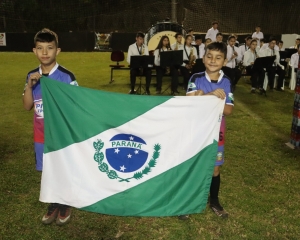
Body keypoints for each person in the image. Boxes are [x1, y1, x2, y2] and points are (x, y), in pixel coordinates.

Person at [22, 28, 78, 225]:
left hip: (61, 136)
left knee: (62, 169)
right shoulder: (31, 76)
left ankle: (65, 203)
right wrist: (29, 86)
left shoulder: (66, 76)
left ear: (58, 51)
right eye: (40, 48)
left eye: (49, 48)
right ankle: (54, 202)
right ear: (34, 51)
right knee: (47, 171)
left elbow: (76, 107)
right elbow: (28, 105)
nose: (44, 52)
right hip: (40, 135)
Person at [180, 42, 233, 220]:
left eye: (218, 58)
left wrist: (203, 97)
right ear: (203, 59)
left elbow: (228, 110)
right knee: (194, 165)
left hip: (217, 132)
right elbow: (189, 101)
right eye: (209, 56)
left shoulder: (226, 82)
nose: (213, 60)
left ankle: (215, 201)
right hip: (196, 130)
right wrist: (212, 96)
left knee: (215, 169)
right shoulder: (195, 78)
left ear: (224, 61)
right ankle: (187, 202)